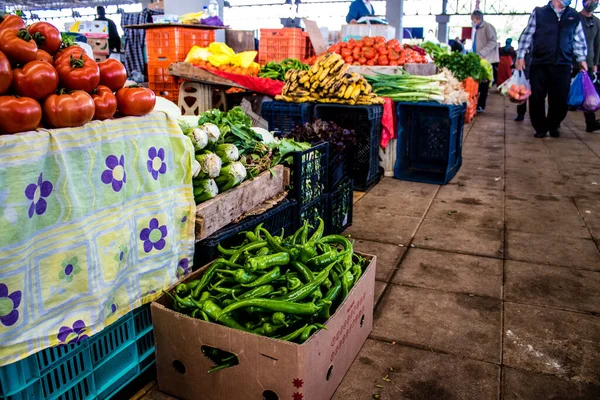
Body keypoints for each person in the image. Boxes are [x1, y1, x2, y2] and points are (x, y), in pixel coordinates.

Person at [516, 0, 588, 138]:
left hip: (563, 64)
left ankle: (554, 125)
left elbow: (579, 39)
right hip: (540, 63)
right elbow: (527, 35)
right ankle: (540, 128)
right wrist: (520, 56)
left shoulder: (573, 15)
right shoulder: (539, 12)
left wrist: (581, 59)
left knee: (560, 98)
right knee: (537, 97)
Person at [578, 0, 600, 132]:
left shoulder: (597, 22)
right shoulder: (575, 18)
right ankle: (555, 121)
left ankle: (590, 123)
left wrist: (596, 63)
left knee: (588, 95)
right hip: (573, 62)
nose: (595, 2)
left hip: (589, 64)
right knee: (565, 92)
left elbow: (598, 45)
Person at [471, 10, 499, 112]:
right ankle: (477, 104)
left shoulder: (487, 27)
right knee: (480, 82)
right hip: (480, 59)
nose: (472, 21)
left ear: (477, 18)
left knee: (484, 83)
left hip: (486, 60)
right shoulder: (478, 29)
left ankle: (481, 105)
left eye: (473, 19)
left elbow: (493, 42)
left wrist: (482, 53)